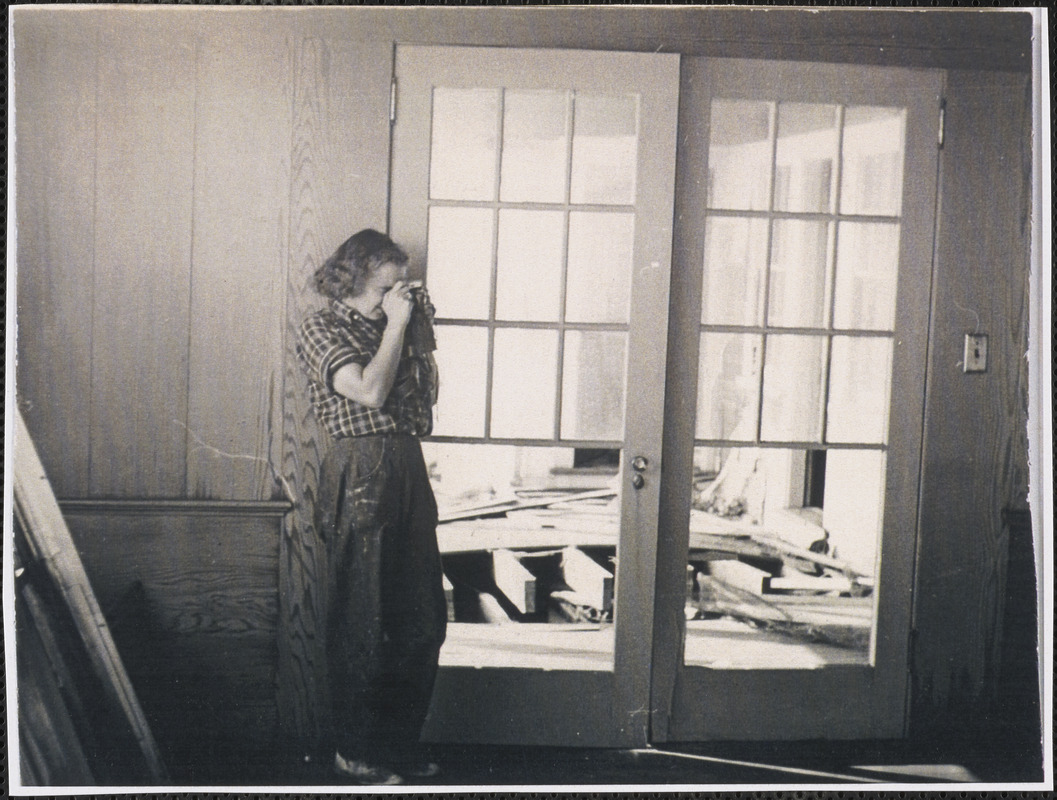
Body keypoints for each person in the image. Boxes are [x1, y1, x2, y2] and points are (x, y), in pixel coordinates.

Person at [296, 229, 446, 785]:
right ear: (359, 274)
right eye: (390, 278)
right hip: (360, 467)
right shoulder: (321, 327)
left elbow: (425, 401)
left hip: (407, 464)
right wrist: (400, 327)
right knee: (365, 617)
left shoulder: (395, 326)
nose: (399, 286)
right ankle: (355, 753)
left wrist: (413, 329)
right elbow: (369, 392)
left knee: (421, 620)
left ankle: (395, 749)